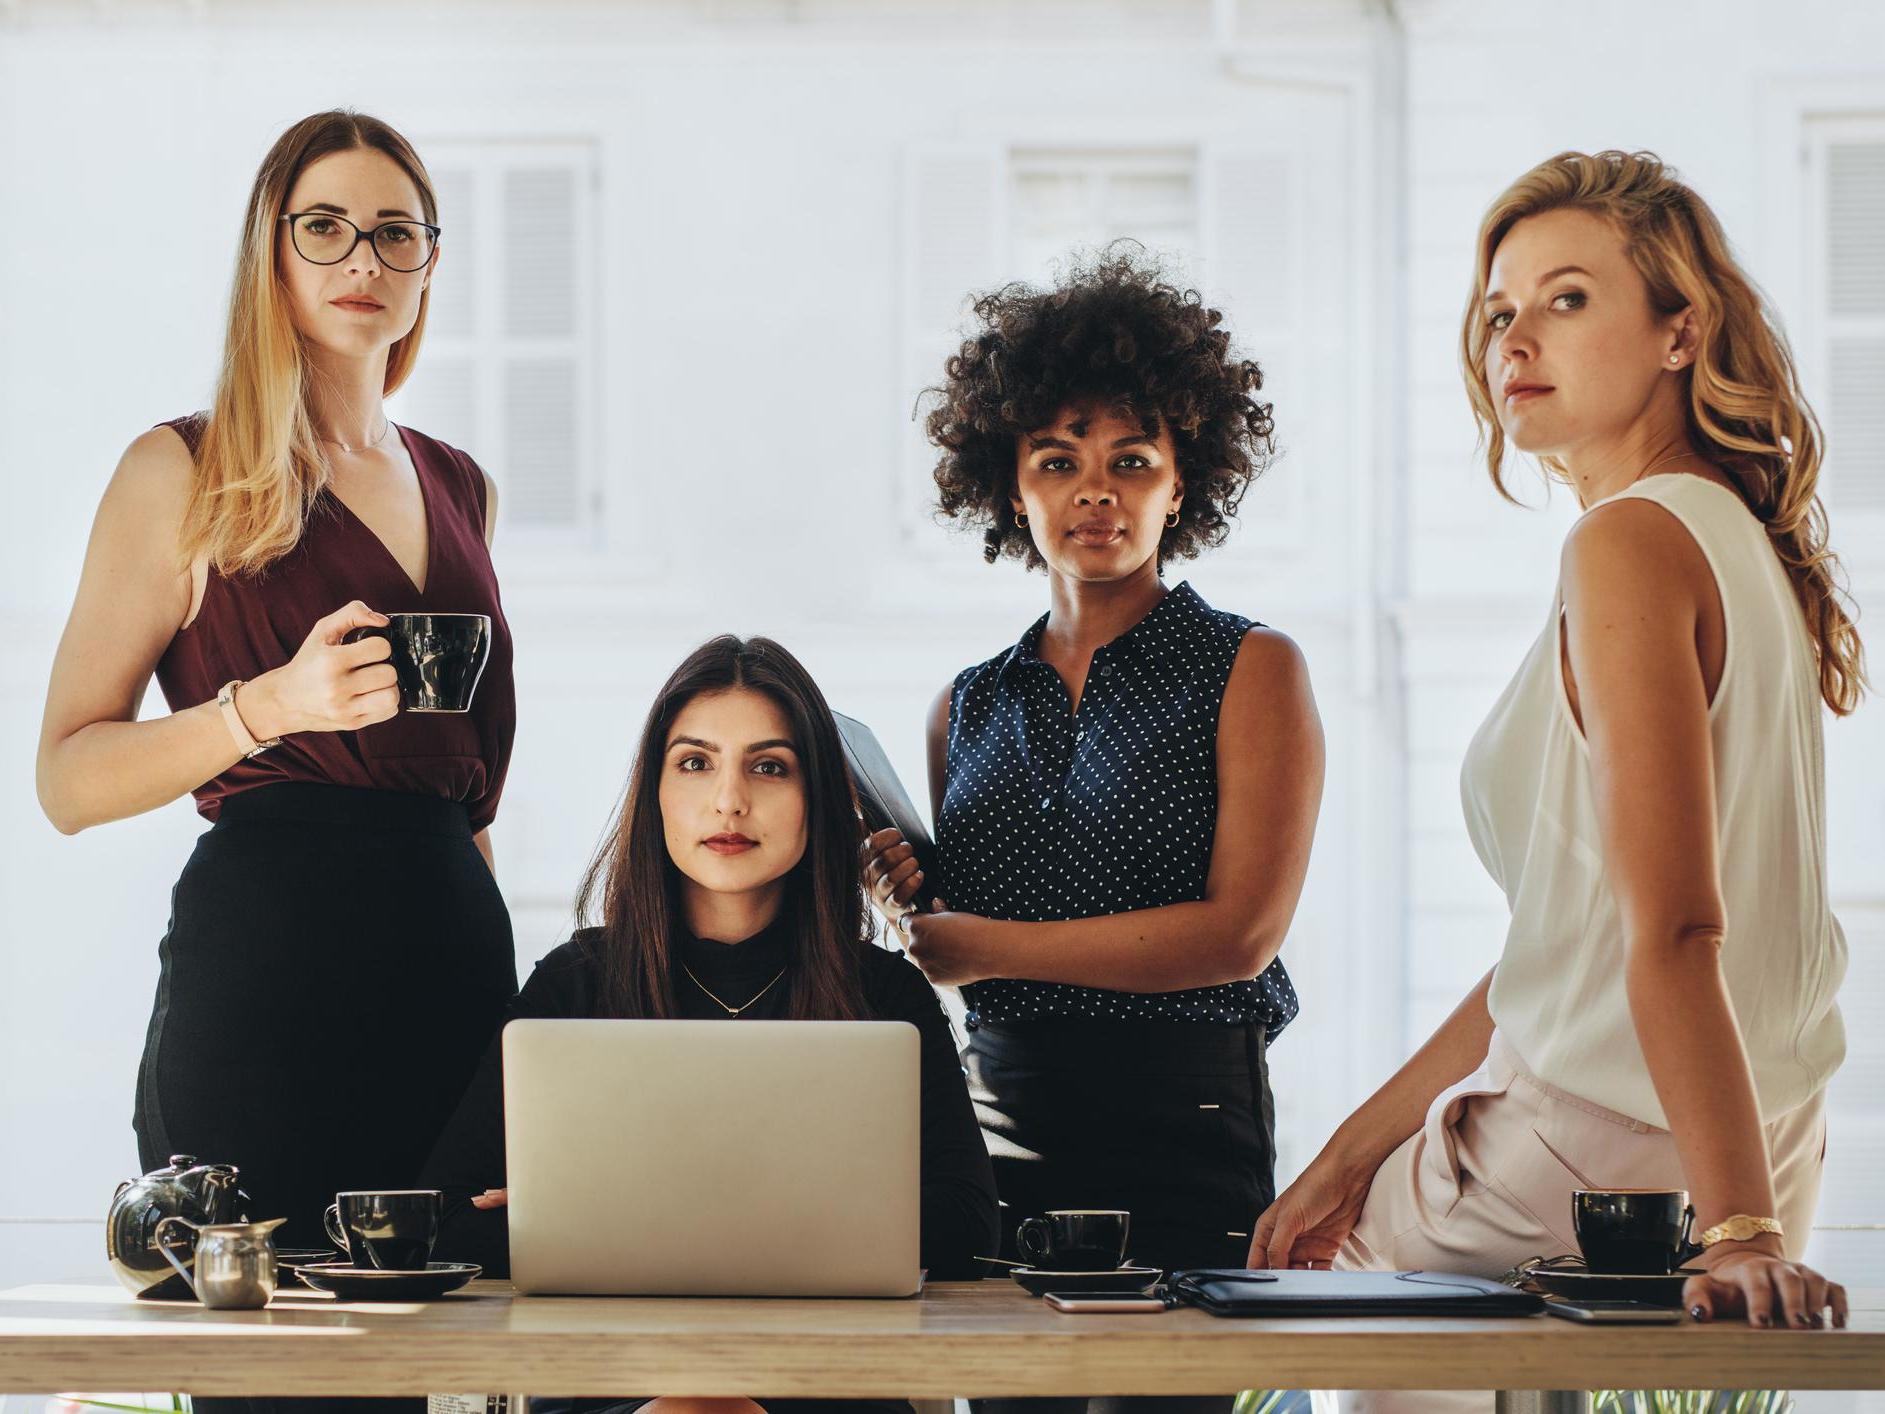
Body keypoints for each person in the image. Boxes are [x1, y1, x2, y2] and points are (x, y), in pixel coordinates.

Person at [1252, 152, 1858, 1405]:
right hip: (1737, 1121)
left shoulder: (1628, 542)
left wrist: (1737, 1230)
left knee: (1329, 1323)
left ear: (1679, 328)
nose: (1515, 337)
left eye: (1567, 299)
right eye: (1497, 311)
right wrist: (1347, 1154)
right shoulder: (1734, 541)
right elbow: (1567, 950)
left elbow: (1677, 925)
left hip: (1597, 1139)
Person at [36, 110, 517, 1271]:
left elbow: (469, 797)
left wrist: (511, 1000)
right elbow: (66, 778)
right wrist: (268, 709)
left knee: (452, 1358)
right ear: (273, 252)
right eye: (328, 228)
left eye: (396, 233)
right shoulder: (181, 469)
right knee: (270, 1354)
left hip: (451, 961)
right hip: (269, 969)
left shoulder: (463, 484)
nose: (364, 260)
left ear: (430, 263)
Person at [866, 249, 1325, 1414]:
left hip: (1186, 1125)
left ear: (1185, 482)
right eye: (1057, 461)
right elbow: (956, 937)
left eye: (1132, 461)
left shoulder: (1251, 668)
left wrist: (986, 948)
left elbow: (1239, 935)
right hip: (1003, 1125)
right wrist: (912, 896)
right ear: (1007, 486)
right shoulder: (965, 702)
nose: (1095, 491)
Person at [423, 634, 1000, 1414]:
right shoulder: (577, 982)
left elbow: (966, 1229)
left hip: (827, 1377)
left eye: (769, 766)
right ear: (654, 791)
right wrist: (813, 1223)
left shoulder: (882, 991)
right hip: (615, 1376)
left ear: (816, 797)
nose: (729, 800)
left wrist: (598, 1219)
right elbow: (445, 1223)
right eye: (695, 762)